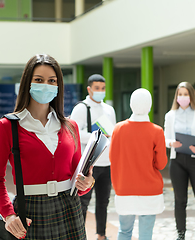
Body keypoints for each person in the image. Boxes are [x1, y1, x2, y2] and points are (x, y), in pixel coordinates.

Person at [0, 54, 95, 240]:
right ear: (27, 83)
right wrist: (9, 215)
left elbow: (79, 179)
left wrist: (87, 183)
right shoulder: (7, 126)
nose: (46, 85)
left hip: (70, 208)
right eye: (39, 80)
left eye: (52, 81)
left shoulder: (71, 126)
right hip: (29, 212)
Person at [109, 88, 167, 240]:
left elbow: (112, 158)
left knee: (124, 231)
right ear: (150, 106)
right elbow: (161, 164)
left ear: (130, 104)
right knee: (146, 234)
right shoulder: (157, 131)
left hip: (124, 188)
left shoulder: (118, 129)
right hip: (150, 190)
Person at [164, 82, 195, 240]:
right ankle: (181, 235)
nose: (183, 97)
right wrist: (171, 143)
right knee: (180, 200)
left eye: (186, 94)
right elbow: (165, 138)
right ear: (176, 97)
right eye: (180, 94)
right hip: (177, 160)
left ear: (191, 96)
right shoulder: (170, 115)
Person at [70, 74, 116, 240]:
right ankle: (79, 235)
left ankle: (101, 235)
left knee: (103, 202)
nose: (100, 92)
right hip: (89, 163)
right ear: (89, 89)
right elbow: (73, 131)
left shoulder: (109, 110)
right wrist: (95, 136)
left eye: (103, 89)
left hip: (107, 163)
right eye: (97, 89)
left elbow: (113, 135)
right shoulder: (82, 108)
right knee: (83, 203)